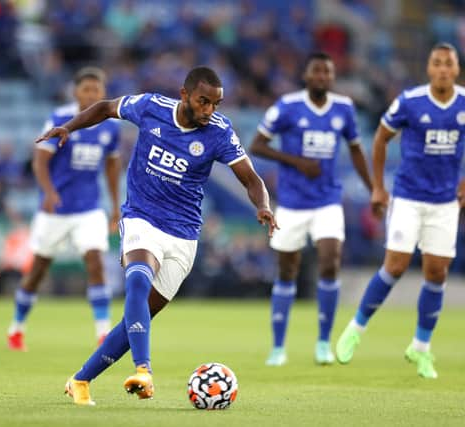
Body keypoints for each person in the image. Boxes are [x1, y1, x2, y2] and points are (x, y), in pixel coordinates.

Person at [37, 66, 277, 405]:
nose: (209, 110)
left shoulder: (220, 133)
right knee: (137, 280)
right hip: (141, 218)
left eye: (216, 104)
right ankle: (144, 370)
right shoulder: (151, 107)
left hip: (183, 234)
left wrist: (263, 205)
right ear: (185, 94)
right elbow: (106, 107)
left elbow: (251, 179)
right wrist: (68, 127)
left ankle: (80, 380)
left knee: (139, 317)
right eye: (203, 101)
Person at [335, 43, 465, 379]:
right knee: (395, 265)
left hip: (445, 202)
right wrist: (379, 187)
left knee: (437, 272)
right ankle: (355, 329)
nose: (442, 69)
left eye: (448, 64)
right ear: (429, 68)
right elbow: (380, 139)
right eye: (436, 63)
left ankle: (420, 348)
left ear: (456, 69)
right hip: (408, 196)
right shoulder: (410, 101)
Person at [250, 52, 372, 366]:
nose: (322, 77)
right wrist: (296, 162)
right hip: (291, 203)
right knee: (287, 270)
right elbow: (257, 145)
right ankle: (278, 347)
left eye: (327, 72)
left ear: (332, 77)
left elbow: (357, 150)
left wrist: (375, 189)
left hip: (328, 200)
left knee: (331, 260)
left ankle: (322, 343)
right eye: (316, 71)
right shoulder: (288, 106)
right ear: (306, 75)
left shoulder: (344, 108)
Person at [7, 67, 121, 351]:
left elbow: (112, 166)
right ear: (76, 91)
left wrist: (115, 204)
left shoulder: (110, 126)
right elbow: (40, 160)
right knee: (38, 271)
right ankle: (17, 328)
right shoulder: (60, 119)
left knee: (95, 263)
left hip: (89, 209)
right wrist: (48, 192)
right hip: (55, 210)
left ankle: (103, 333)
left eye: (97, 90)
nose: (92, 94)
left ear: (103, 93)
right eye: (87, 89)